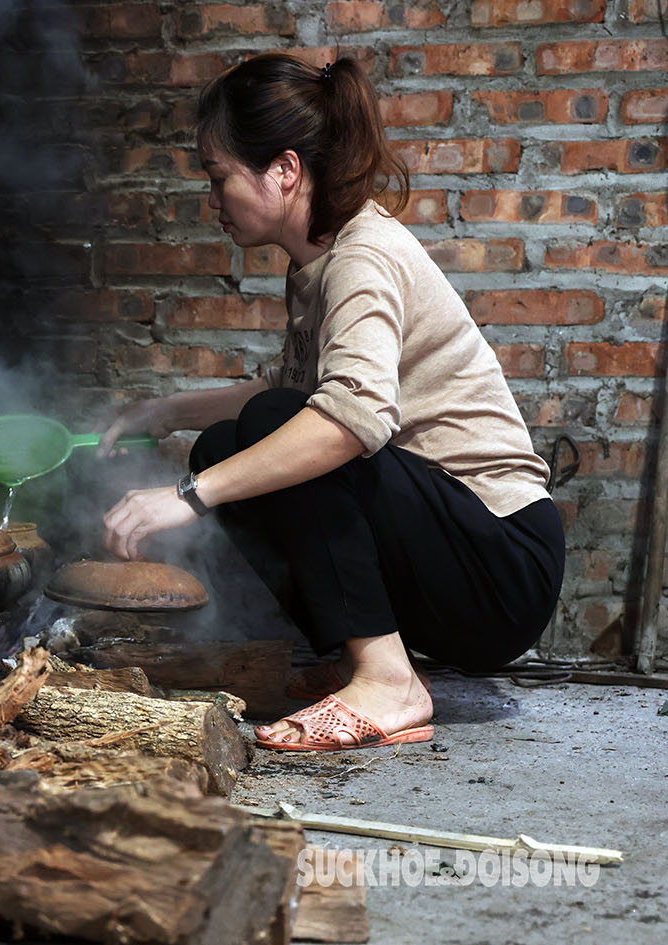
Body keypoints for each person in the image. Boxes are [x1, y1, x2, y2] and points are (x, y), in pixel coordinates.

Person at [97, 53, 565, 752]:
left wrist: (187, 497)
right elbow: (286, 394)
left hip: (503, 566)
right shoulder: (316, 261)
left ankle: (388, 680)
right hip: (456, 556)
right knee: (223, 443)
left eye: (217, 174)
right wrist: (160, 413)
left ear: (283, 170)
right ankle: (361, 663)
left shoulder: (360, 256)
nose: (211, 198)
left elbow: (350, 418)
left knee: (263, 437)